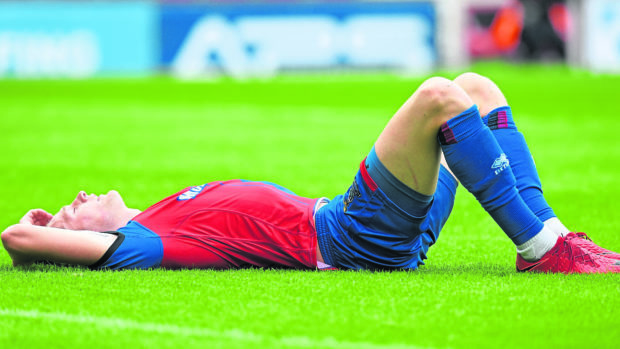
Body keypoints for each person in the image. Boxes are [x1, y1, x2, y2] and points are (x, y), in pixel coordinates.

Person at [2, 73, 618, 273]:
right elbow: (18, 240)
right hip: (352, 232)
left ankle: (555, 236)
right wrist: (38, 232)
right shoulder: (145, 241)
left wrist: (55, 224)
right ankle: (542, 251)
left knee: (476, 88)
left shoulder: (159, 213)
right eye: (71, 210)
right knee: (438, 97)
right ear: (91, 240)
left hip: (374, 226)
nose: (78, 198)